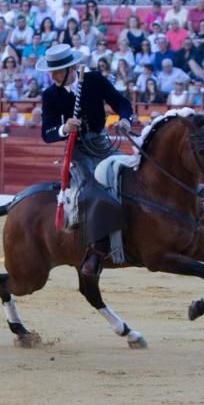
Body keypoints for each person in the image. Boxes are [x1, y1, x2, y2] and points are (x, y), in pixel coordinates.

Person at [38, 43, 133, 277]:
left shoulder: (93, 80)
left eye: (58, 71)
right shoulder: (50, 95)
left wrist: (125, 119)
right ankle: (93, 250)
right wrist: (63, 127)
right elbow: (47, 133)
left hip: (101, 142)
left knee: (132, 174)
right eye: (52, 71)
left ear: (71, 69)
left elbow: (121, 102)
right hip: (78, 149)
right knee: (89, 192)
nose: (53, 76)